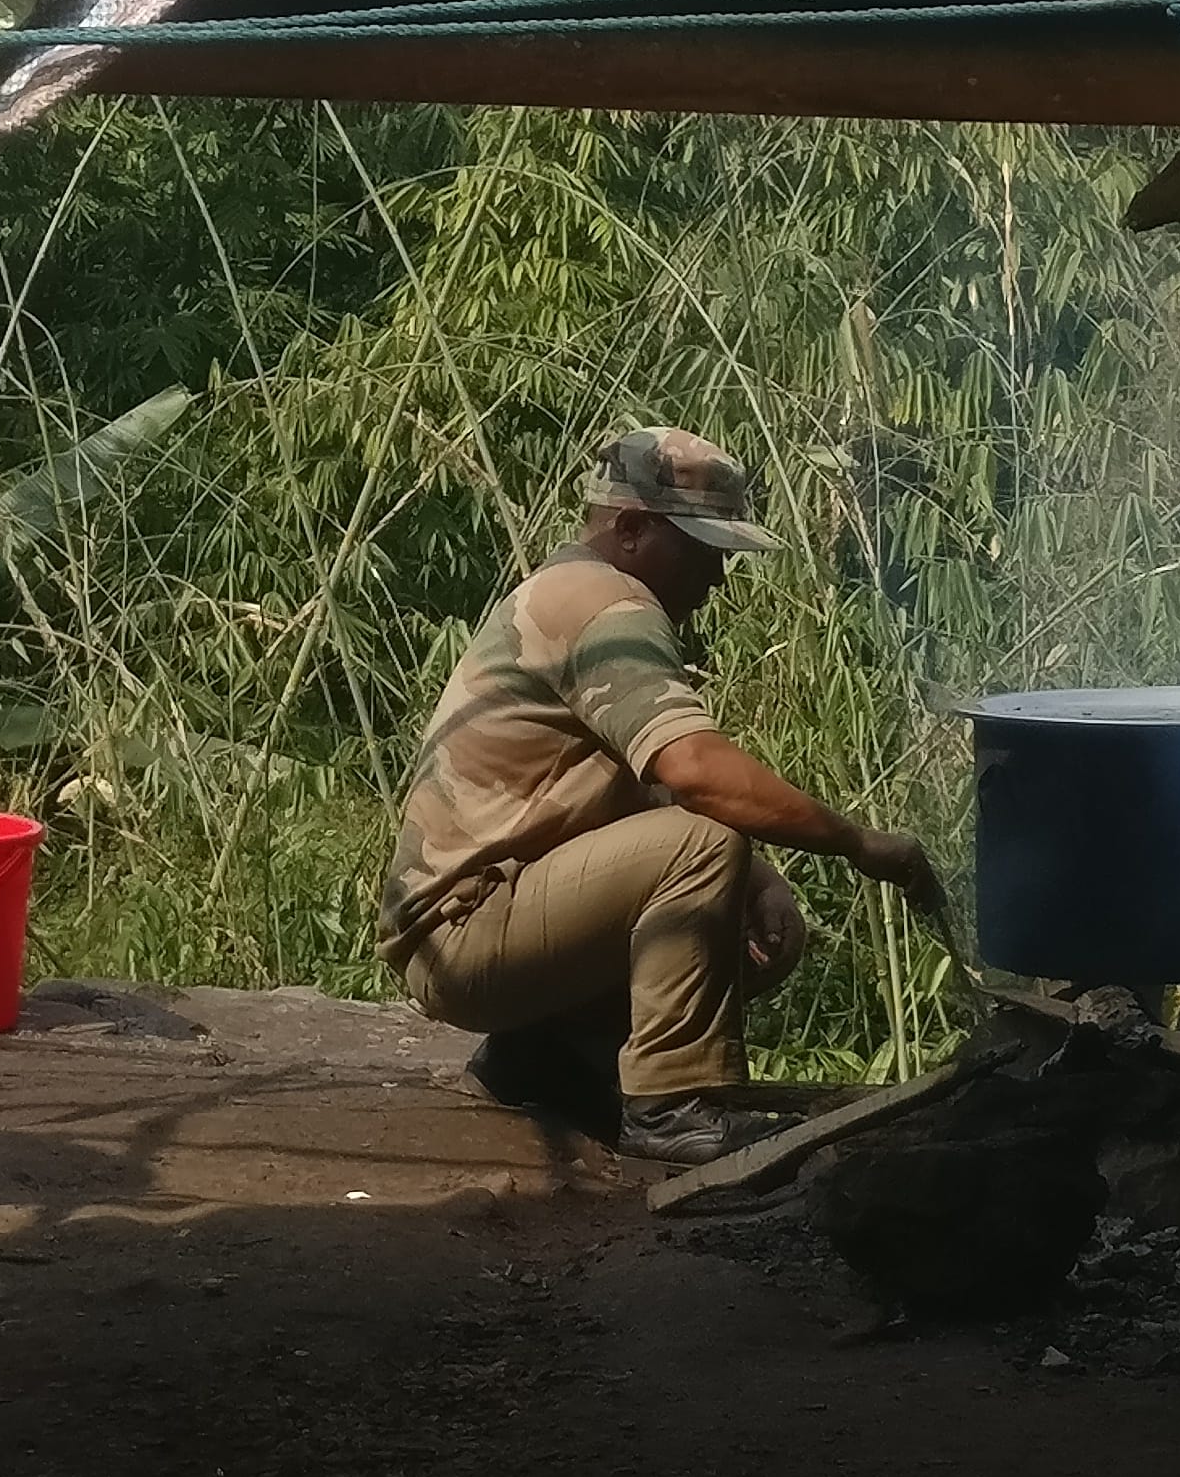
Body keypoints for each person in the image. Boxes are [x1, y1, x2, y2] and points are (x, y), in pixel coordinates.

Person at [380, 426, 942, 1163]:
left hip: (473, 927)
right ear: (633, 529)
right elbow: (694, 771)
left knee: (758, 911)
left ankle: (543, 1056)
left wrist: (760, 878)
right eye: (703, 549)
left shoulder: (568, 588)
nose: (717, 577)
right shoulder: (606, 606)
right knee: (707, 846)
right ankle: (672, 1107)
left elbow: (626, 788)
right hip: (465, 936)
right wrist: (860, 843)